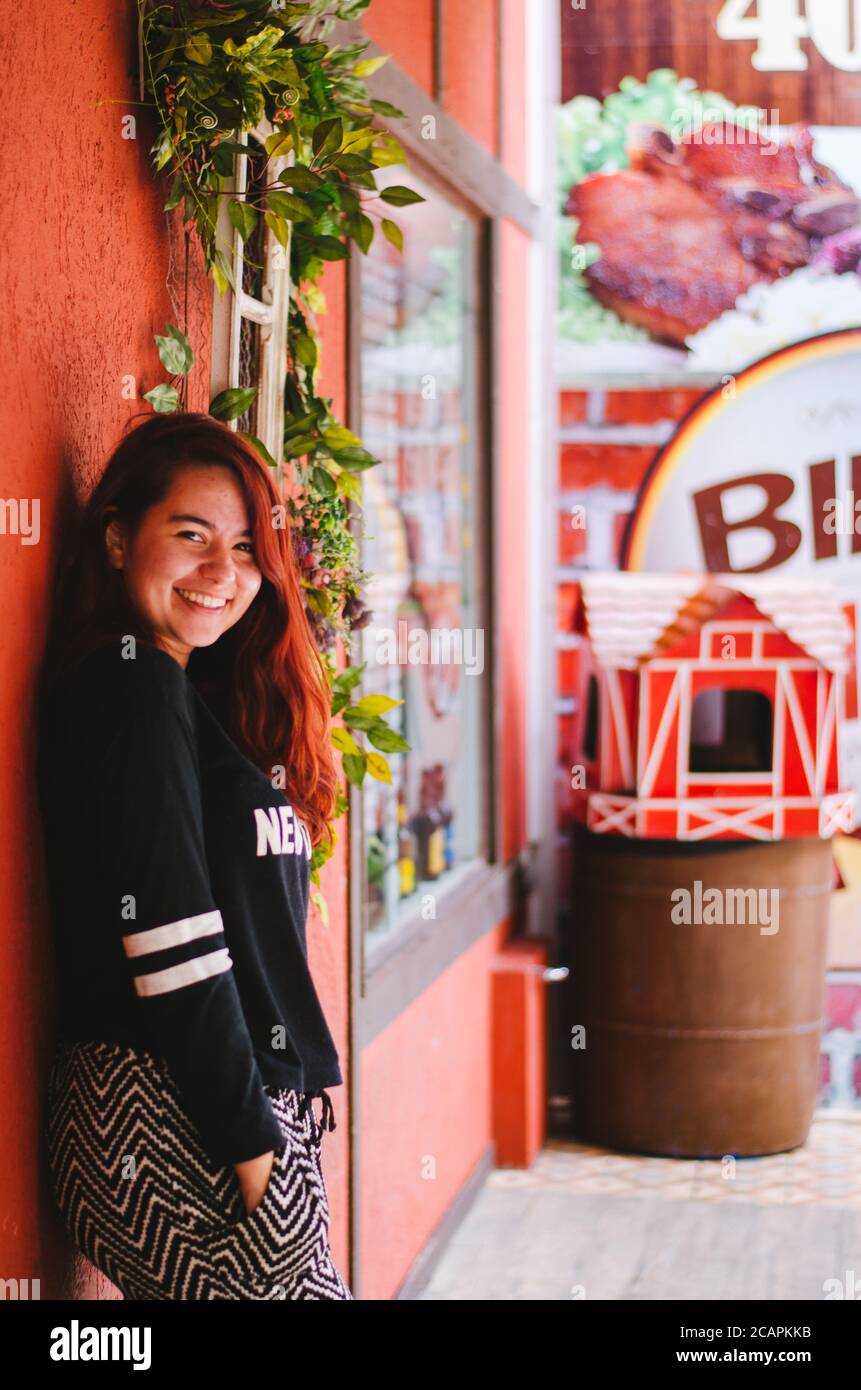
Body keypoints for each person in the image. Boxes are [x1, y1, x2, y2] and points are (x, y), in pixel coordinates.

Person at [36, 411, 354, 1301]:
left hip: (216, 1101)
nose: (223, 572)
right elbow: (173, 936)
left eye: (249, 548)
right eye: (191, 536)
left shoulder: (187, 694)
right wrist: (254, 1149)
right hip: (172, 1102)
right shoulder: (132, 679)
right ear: (115, 538)